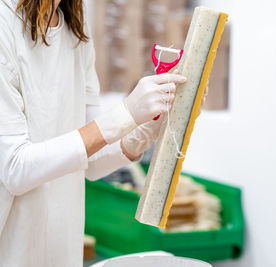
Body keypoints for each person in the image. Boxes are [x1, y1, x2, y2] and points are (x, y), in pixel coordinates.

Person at [0, 0, 207, 266]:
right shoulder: (5, 26)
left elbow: (90, 162)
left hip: (62, 251)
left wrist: (145, 128)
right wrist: (125, 114)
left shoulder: (75, 30)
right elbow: (16, 169)